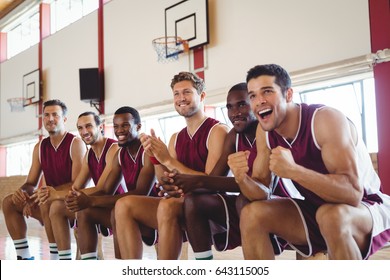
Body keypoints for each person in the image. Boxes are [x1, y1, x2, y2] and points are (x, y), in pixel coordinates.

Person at [227, 63, 390, 260]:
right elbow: (261, 192)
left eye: (267, 91)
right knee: (252, 213)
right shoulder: (265, 132)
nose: (259, 101)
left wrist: (294, 171)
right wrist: (242, 178)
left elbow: (353, 194)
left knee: (330, 216)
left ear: (288, 95)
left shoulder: (325, 120)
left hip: (366, 208)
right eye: (253, 95)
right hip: (316, 210)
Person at [114, 71, 229, 259]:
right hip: (180, 203)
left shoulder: (217, 131)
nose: (181, 98)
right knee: (124, 204)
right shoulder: (176, 138)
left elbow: (210, 182)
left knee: (168, 205)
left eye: (187, 92)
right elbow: (165, 180)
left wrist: (167, 159)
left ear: (201, 96)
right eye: (176, 94)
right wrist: (156, 159)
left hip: (209, 207)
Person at [164, 82, 258, 260]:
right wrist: (177, 185)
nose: (235, 112)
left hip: (272, 200)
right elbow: (214, 178)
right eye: (229, 107)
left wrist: (191, 180)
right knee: (185, 201)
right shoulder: (233, 135)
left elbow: (260, 185)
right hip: (243, 199)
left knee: (245, 203)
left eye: (241, 104)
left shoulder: (221, 130)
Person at [64, 106, 157, 260]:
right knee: (84, 211)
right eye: (116, 126)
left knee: (119, 210)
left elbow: (141, 192)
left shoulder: (147, 149)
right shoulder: (120, 154)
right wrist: (78, 199)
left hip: (154, 211)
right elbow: (106, 189)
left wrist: (91, 200)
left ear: (138, 127)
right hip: (129, 210)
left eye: (125, 125)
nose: (119, 130)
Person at [2, 99, 86, 260]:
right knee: (9, 202)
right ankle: (24, 257)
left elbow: (78, 184)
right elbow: (31, 183)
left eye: (55, 114)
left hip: (74, 205)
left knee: (48, 200)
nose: (50, 118)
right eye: (46, 115)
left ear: (64, 119)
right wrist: (22, 193)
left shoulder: (75, 143)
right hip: (49, 202)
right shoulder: (39, 147)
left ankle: (58, 259)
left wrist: (49, 193)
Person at [37, 111, 123, 260]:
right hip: (96, 205)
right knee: (56, 208)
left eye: (88, 126)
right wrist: (51, 195)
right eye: (80, 128)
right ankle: (62, 260)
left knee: (67, 205)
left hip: (115, 206)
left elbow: (101, 189)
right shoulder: (89, 155)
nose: (84, 132)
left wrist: (55, 193)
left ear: (100, 127)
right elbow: (76, 188)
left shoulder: (113, 148)